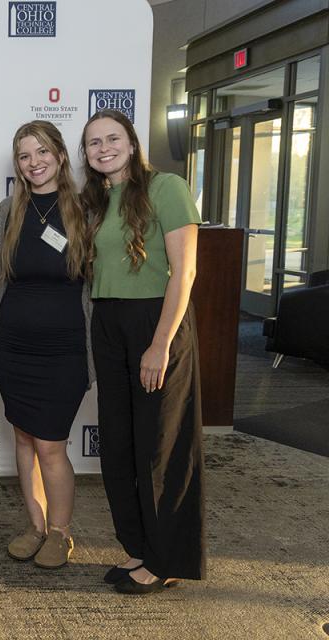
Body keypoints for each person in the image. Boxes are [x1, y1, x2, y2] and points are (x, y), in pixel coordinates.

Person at [79, 108, 205, 594]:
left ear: (132, 143)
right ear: (87, 154)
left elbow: (185, 273)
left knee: (160, 446)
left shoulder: (166, 188)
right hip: (108, 321)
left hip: (156, 321)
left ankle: (168, 558)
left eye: (112, 138)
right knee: (119, 443)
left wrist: (160, 343)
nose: (104, 148)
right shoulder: (98, 199)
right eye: (94, 143)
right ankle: (139, 548)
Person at [0, 121, 91, 570]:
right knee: (24, 440)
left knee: (51, 445)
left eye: (42, 152)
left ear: (61, 156)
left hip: (63, 349)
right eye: (25, 156)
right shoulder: (8, 210)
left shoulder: (86, 210)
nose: (34, 162)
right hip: (12, 347)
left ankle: (61, 532)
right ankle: (35, 525)